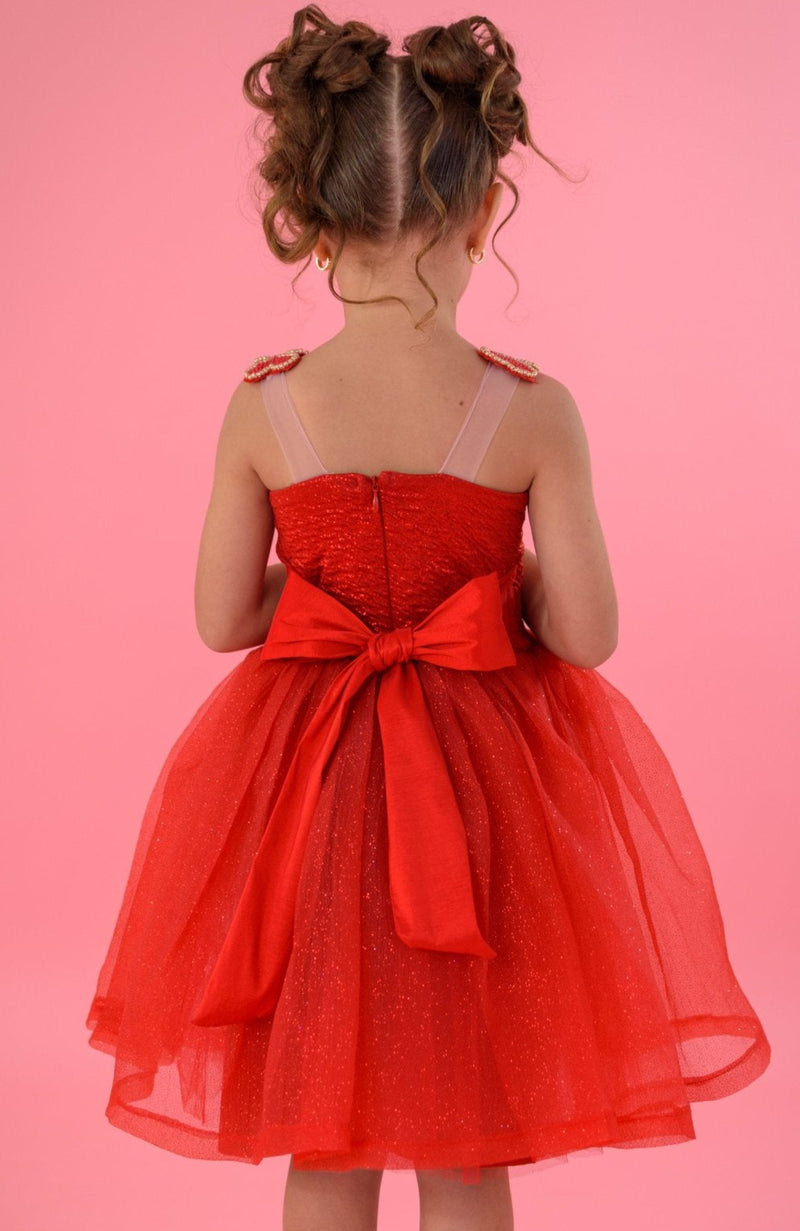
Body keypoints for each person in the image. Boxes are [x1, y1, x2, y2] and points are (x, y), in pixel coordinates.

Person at [85, 8, 771, 1231]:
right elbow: (586, 635)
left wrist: (328, 597)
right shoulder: (530, 410)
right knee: (467, 1138)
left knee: (322, 1130)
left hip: (303, 795)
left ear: (311, 217)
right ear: (479, 214)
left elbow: (221, 615)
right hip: (479, 800)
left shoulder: (265, 407)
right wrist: (497, 590)